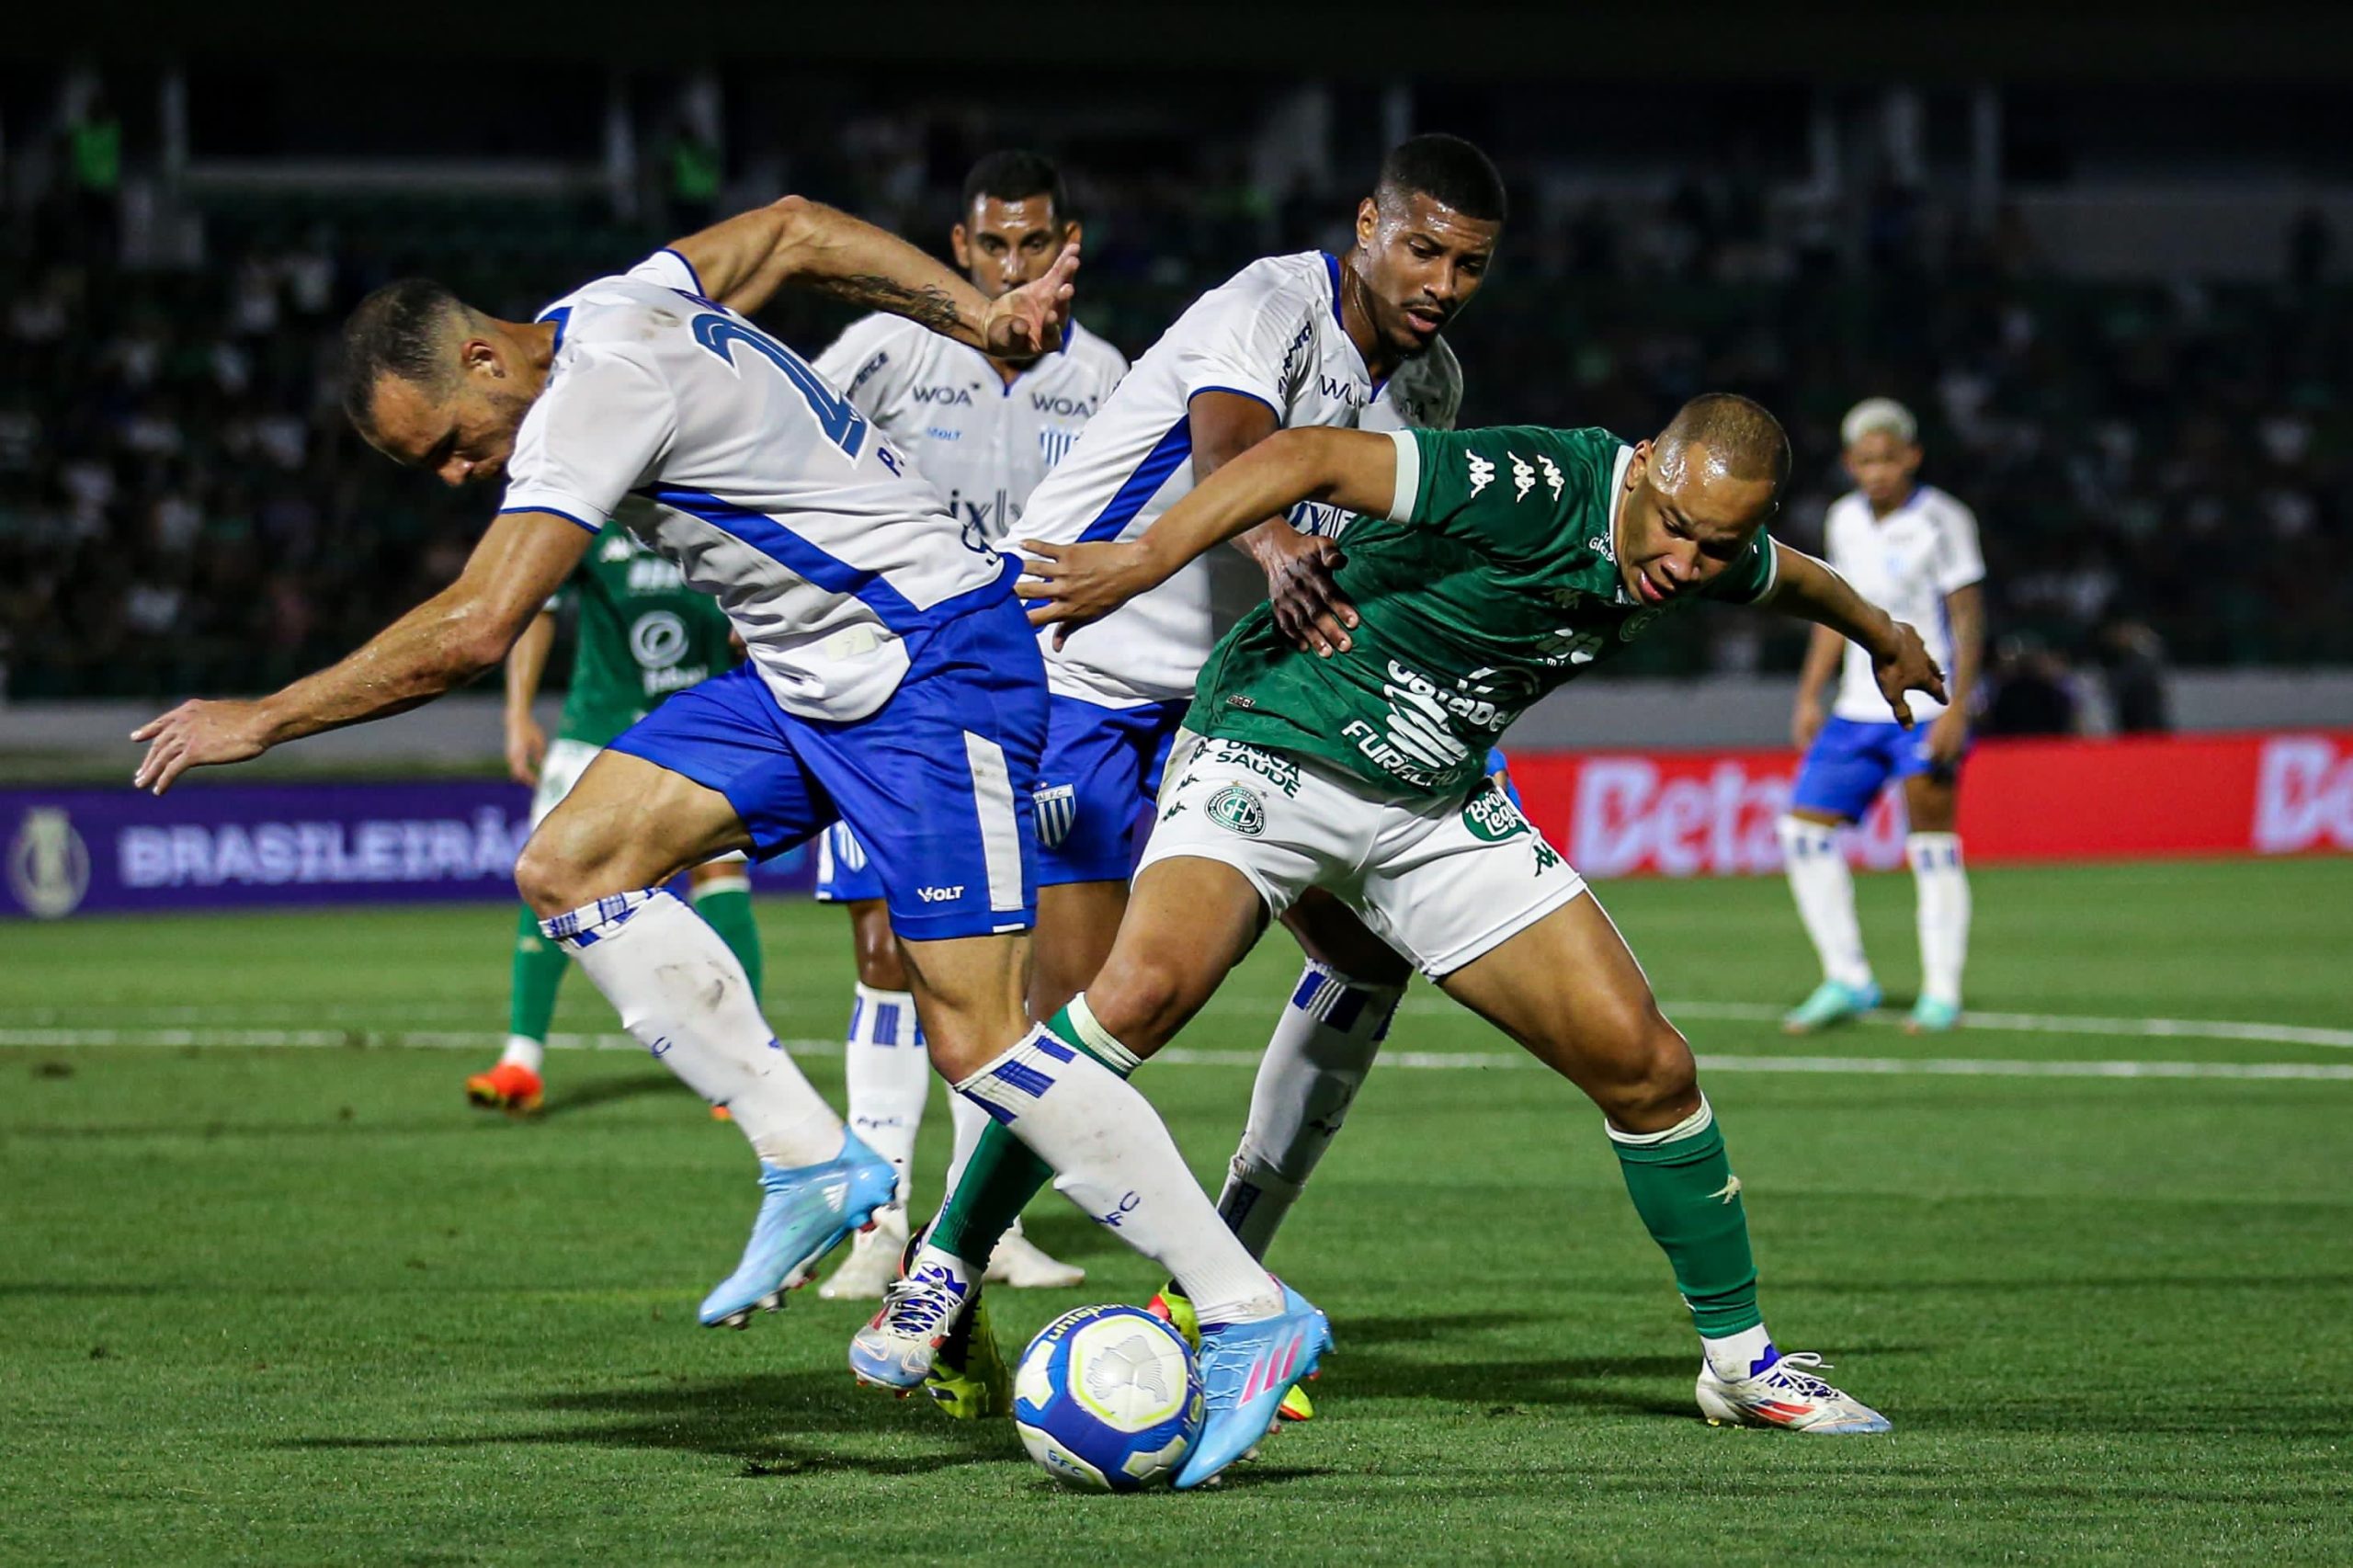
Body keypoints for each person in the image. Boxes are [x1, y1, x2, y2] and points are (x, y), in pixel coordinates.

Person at [130, 195, 1324, 1488]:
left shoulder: (598, 386)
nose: (462, 477)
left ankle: (1249, 1307)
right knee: (566, 863)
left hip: (931, 671)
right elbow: (800, 232)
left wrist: (266, 714)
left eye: (450, 451)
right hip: (804, 680)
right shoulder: (618, 296)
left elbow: (478, 627)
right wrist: (971, 309)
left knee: (979, 1041)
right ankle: (813, 1159)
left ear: (483, 359)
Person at [876, 392, 1944, 1437]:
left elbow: (1786, 578)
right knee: (1136, 996)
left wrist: (1884, 631)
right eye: (1676, 527)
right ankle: (942, 1269)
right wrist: (1142, 561)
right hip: (1279, 736)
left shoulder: (1699, 540)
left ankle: (1740, 1366)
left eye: (1716, 546)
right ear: (1649, 460)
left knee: (1649, 1069)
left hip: (1434, 806)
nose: (1685, 565)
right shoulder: (1536, 483)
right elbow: (1307, 457)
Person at [852, 134, 1503, 1425]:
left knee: (1366, 959)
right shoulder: (1270, 303)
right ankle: (941, 1272)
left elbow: (1389, 542)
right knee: (1094, 1008)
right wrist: (1270, 544)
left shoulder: (1433, 382)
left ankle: (1216, 1287)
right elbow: (1231, 443)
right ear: (1366, 225)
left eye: (1468, 263)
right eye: (1419, 247)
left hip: (1238, 704)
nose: (1437, 280)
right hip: (1080, 667)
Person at [805, 151, 1124, 1298]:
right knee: (890, 954)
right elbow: (787, 448)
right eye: (992, 245)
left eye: (1032, 244)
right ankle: (873, 1223)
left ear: (1064, 246)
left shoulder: (1106, 379)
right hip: (883, 679)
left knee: (1004, 966)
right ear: (959, 248)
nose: (1011, 264)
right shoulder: (889, 349)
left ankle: (975, 1220)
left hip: (1028, 695)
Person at [469, 523, 761, 1116]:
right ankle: (520, 1062)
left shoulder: (708, 505)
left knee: (718, 875)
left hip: (699, 721)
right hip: (596, 727)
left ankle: (743, 1063)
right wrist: (517, 713)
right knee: (551, 876)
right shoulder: (592, 513)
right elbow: (538, 606)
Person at [1779, 398, 1984, 1036]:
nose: (1877, 473)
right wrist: (1810, 693)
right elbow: (1833, 614)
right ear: (1849, 464)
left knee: (1930, 845)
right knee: (1802, 831)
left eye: (1888, 460)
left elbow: (1969, 619)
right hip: (1855, 711)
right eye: (1865, 462)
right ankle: (1849, 978)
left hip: (1926, 706)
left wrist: (1961, 707)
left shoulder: (1944, 520)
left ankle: (1940, 993)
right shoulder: (1843, 520)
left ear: (1912, 457)